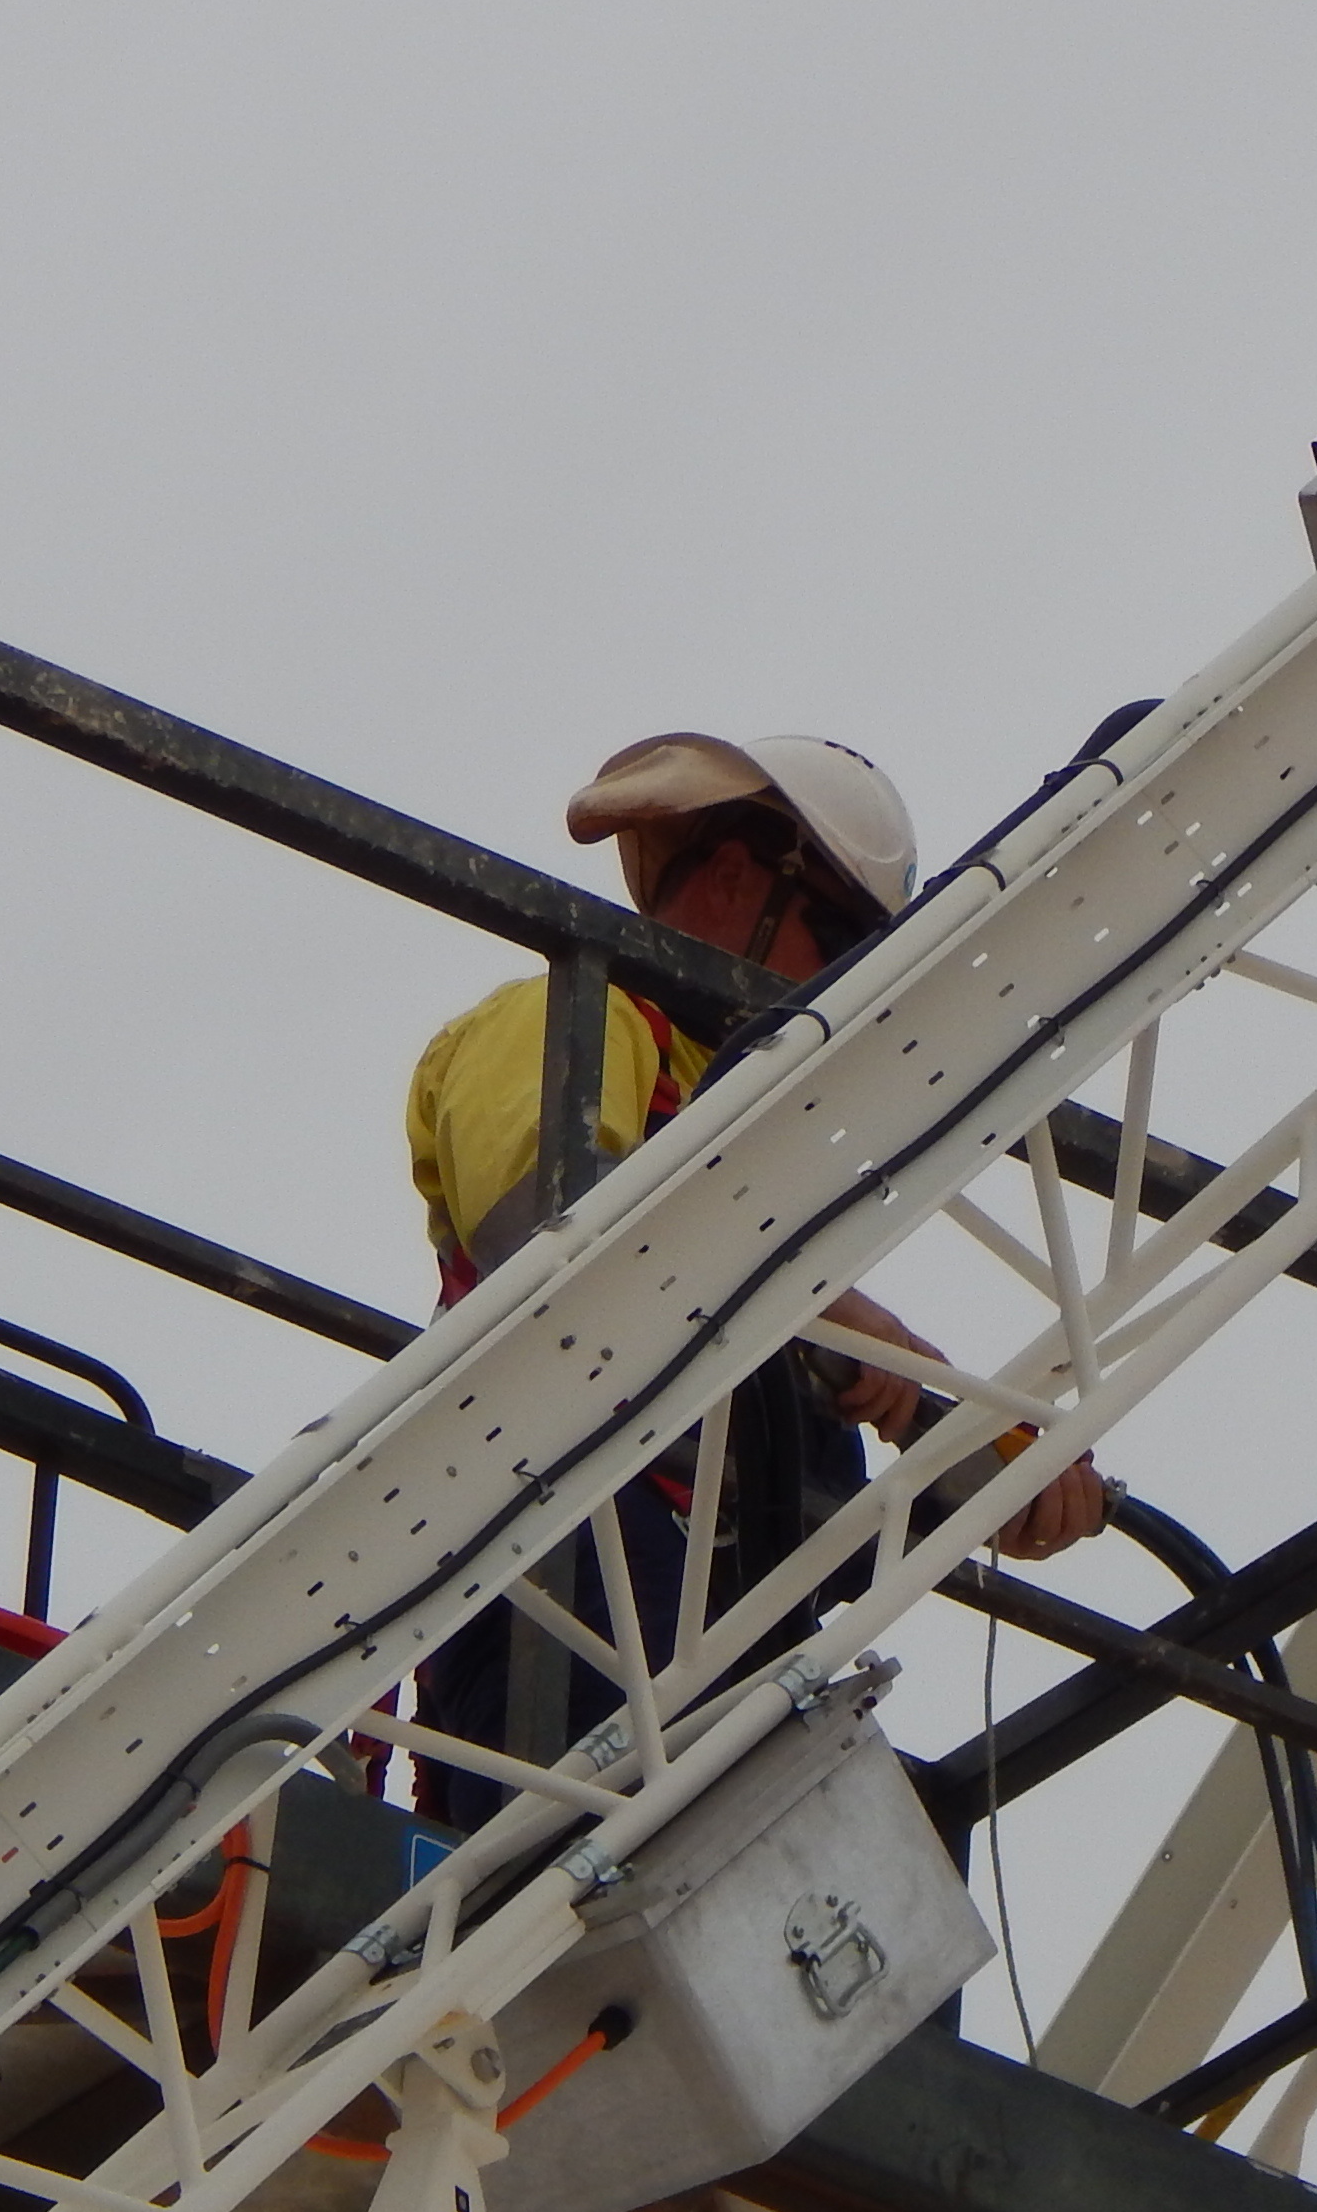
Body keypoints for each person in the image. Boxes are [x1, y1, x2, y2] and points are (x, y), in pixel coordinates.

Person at [407, 734, 1100, 1797]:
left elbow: (785, 1339)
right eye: (841, 951)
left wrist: (978, 1448)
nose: (845, 1004)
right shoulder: (571, 1015)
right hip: (569, 1565)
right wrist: (847, 1333)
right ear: (739, 879)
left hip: (718, 1613)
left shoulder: (746, 1147)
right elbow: (553, 1249)